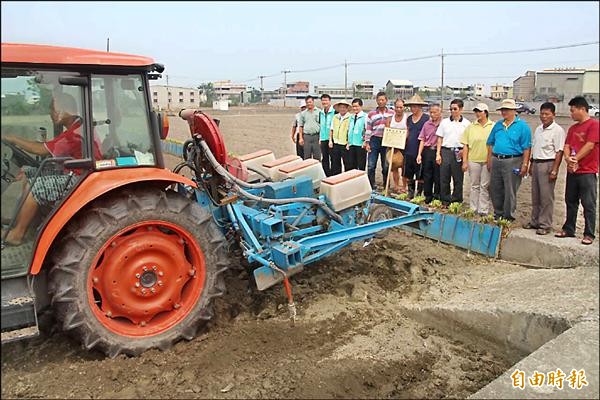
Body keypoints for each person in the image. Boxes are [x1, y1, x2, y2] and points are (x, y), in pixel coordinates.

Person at [2, 93, 101, 246]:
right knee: (31, 175)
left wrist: (13, 138)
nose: (51, 113)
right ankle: (21, 222)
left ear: (67, 110)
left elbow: (41, 149)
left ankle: (17, 234)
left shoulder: (74, 134)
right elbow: (50, 146)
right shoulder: (76, 127)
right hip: (75, 173)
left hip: (81, 179)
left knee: (37, 187)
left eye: (54, 109)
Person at [555, 96, 599, 245]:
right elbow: (567, 145)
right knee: (570, 201)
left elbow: (590, 145)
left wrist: (576, 159)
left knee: (589, 203)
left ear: (582, 109)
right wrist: (568, 159)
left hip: (587, 171)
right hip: (572, 171)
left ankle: (589, 234)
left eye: (573, 110)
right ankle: (569, 229)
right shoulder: (573, 128)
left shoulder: (594, 125)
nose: (571, 114)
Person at [523, 102, 565, 235]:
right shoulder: (538, 129)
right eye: (542, 113)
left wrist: (554, 169)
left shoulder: (557, 130)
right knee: (535, 195)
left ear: (553, 115)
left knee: (546, 197)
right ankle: (535, 221)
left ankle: (545, 224)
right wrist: (530, 164)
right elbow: (535, 147)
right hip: (536, 163)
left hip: (548, 163)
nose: (544, 116)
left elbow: (559, 151)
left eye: (547, 114)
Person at [486, 98, 532, 221]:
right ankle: (498, 213)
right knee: (495, 188)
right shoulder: (498, 125)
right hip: (496, 158)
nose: (504, 112)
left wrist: (525, 164)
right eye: (503, 110)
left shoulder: (523, 127)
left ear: (513, 111)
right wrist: (489, 159)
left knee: (510, 189)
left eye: (506, 110)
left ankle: (508, 216)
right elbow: (490, 142)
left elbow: (526, 147)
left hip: (513, 160)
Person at [461, 103, 494, 215]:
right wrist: (465, 161)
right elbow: (465, 145)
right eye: (476, 111)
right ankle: (473, 208)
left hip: (486, 160)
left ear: (486, 112)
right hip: (473, 159)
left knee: (484, 185)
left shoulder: (493, 126)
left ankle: (483, 209)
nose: (477, 114)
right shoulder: (471, 127)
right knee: (474, 185)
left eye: (480, 111)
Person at [436, 98, 470, 205]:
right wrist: (438, 154)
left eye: (455, 109)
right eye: (451, 109)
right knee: (444, 177)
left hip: (459, 152)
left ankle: (456, 200)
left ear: (461, 109)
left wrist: (465, 157)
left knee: (458, 178)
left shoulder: (467, 124)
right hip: (446, 151)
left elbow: (468, 143)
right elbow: (440, 138)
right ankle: (445, 200)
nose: (453, 111)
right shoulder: (444, 122)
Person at [365, 92, 394, 189]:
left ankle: (386, 185)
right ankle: (371, 185)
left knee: (386, 165)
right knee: (371, 165)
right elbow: (368, 129)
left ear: (386, 100)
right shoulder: (371, 114)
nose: (381, 102)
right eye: (379, 100)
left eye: (383, 100)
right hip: (374, 140)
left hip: (387, 140)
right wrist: (367, 142)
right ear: (376, 101)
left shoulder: (392, 113)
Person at [404, 94, 430, 199]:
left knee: (420, 173)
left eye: (415, 106)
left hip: (420, 149)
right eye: (411, 106)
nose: (413, 108)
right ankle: (410, 192)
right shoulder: (409, 118)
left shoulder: (426, 119)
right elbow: (407, 131)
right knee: (409, 172)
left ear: (420, 107)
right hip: (409, 148)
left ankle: (419, 193)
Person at [416, 103, 442, 204]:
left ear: (440, 112)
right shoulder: (427, 124)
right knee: (427, 174)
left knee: (438, 175)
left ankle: (437, 196)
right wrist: (419, 154)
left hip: (438, 151)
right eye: (431, 112)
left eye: (435, 112)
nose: (432, 114)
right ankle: (428, 196)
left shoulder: (444, 124)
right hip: (427, 151)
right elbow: (422, 139)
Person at [385, 99, 408, 193]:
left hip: (403, 147)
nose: (399, 109)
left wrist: (401, 143)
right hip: (392, 146)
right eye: (397, 107)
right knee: (394, 167)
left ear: (404, 108)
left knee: (404, 168)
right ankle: (396, 186)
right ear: (394, 107)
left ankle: (404, 187)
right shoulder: (390, 119)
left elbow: (408, 133)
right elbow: (387, 132)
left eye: (401, 107)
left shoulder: (407, 119)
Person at [329, 100, 352, 176]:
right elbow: (331, 129)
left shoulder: (350, 117)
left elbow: (350, 131)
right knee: (335, 163)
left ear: (347, 108)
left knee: (347, 163)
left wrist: (349, 142)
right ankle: (336, 177)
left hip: (345, 143)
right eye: (341, 107)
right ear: (338, 108)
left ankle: (347, 178)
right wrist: (330, 140)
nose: (342, 109)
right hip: (336, 142)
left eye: (344, 107)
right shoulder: (335, 117)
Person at [346, 98, 368, 172]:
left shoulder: (365, 116)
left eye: (356, 106)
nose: (355, 108)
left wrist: (365, 141)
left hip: (361, 144)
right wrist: (348, 142)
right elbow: (349, 130)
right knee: (352, 165)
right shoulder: (351, 117)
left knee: (361, 165)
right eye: (353, 106)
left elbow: (367, 130)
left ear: (361, 106)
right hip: (352, 144)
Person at [298, 95, 321, 160]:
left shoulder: (319, 112)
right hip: (307, 137)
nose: (309, 104)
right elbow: (301, 126)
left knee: (317, 156)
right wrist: (300, 138)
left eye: (310, 102)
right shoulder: (303, 113)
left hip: (316, 136)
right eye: (307, 102)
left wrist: (321, 138)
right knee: (307, 156)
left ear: (313, 102)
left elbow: (322, 125)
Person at [319, 94, 336, 177]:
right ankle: (326, 175)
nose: (324, 102)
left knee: (333, 158)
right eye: (323, 100)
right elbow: (320, 126)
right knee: (325, 158)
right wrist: (320, 138)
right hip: (323, 138)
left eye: (326, 100)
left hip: (332, 139)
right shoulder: (321, 113)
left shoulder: (335, 112)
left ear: (330, 101)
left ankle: (333, 175)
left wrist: (331, 139)